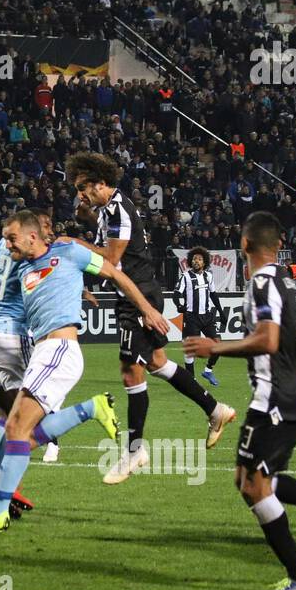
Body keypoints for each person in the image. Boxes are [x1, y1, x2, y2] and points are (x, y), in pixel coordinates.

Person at [185, 212, 296, 590]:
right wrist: (290, 381)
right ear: (278, 245)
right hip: (287, 395)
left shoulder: (262, 284)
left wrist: (214, 347)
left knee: (254, 483)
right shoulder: (288, 284)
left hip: (274, 400)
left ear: (244, 245)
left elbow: (266, 339)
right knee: (247, 481)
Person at [0, 209, 165, 538]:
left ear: (32, 236)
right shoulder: (24, 267)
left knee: (14, 425)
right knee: (21, 435)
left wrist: (148, 308)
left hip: (59, 350)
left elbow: (115, 273)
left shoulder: (69, 253)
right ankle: (92, 409)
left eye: (11, 238)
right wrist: (77, 290)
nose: (5, 243)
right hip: (43, 350)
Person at [70, 152, 235, 486]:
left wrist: (73, 244)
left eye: (83, 188)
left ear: (101, 183)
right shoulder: (108, 209)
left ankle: (134, 450)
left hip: (138, 296)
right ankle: (216, 410)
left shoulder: (117, 210)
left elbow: (112, 257)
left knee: (130, 370)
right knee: (158, 363)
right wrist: (87, 216)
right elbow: (108, 235)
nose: (80, 195)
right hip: (133, 294)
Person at [177, 246, 220, 386]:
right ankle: (191, 378)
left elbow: (213, 294)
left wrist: (221, 312)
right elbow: (176, 294)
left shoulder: (209, 276)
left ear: (204, 262)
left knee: (218, 345)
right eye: (194, 259)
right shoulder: (185, 277)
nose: (196, 261)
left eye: (200, 259)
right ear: (190, 261)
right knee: (191, 349)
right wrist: (179, 304)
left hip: (207, 317)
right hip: (192, 317)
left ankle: (208, 370)